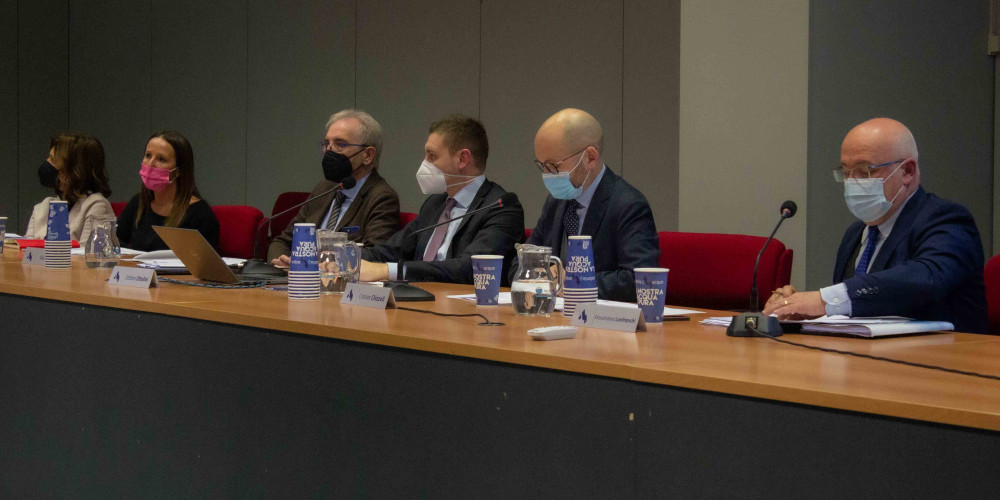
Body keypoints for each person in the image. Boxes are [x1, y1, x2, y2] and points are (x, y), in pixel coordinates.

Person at [763, 118, 988, 333]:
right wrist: (804, 311)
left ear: (907, 171)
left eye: (865, 171)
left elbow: (926, 278)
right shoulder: (855, 234)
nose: (852, 182)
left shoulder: (946, 219)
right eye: (846, 172)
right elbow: (860, 307)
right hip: (868, 354)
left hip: (942, 355)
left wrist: (823, 300)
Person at [509, 108, 659, 302]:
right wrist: (542, 274)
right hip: (556, 313)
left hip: (602, 318)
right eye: (542, 166)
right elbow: (519, 265)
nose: (546, 175)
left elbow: (640, 280)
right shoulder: (556, 202)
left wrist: (572, 282)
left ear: (590, 157)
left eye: (553, 166)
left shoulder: (628, 205)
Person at [360, 114, 524, 284]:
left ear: (462, 159)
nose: (424, 163)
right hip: (416, 294)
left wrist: (391, 271)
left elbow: (472, 268)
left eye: (432, 156)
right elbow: (390, 250)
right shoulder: (435, 203)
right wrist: (348, 259)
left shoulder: (501, 207)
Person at [267, 110, 400, 267]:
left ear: (367, 155)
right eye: (326, 144)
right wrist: (281, 261)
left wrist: (311, 265)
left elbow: (374, 256)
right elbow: (283, 241)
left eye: (340, 144)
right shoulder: (324, 188)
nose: (329, 151)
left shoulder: (382, 197)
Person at [117, 130, 219, 252]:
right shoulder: (138, 203)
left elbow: (204, 260)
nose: (151, 164)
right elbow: (115, 241)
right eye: (148, 155)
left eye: (161, 159)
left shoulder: (199, 214)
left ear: (178, 171)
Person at [26, 132, 115, 245]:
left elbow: (89, 252)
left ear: (75, 170)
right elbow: (25, 249)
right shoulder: (44, 206)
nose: (47, 163)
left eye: (53, 160)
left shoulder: (96, 205)